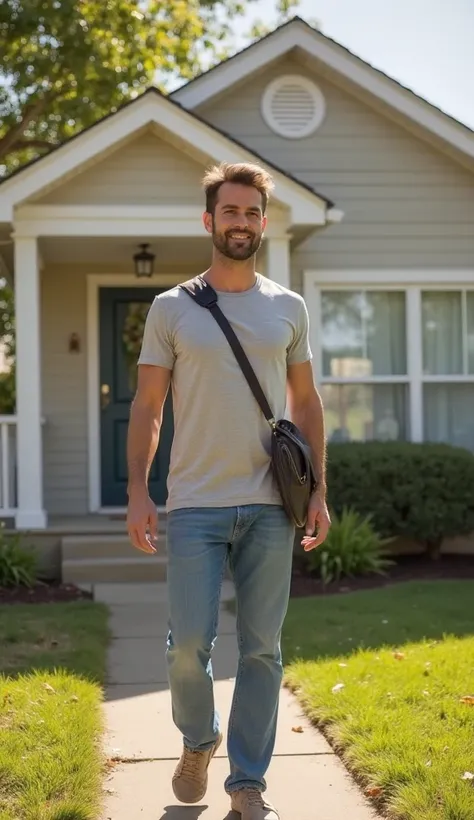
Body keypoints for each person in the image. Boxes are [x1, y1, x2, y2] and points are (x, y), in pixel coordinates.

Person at [126, 161, 330, 820]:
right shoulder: (171, 308)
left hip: (272, 506)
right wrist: (137, 487)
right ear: (209, 219)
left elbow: (306, 401)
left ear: (263, 223)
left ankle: (248, 780)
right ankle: (199, 738)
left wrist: (319, 490)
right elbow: (149, 404)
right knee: (187, 644)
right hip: (193, 504)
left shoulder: (287, 307)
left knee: (263, 647)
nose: (240, 222)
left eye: (251, 213)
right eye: (230, 212)